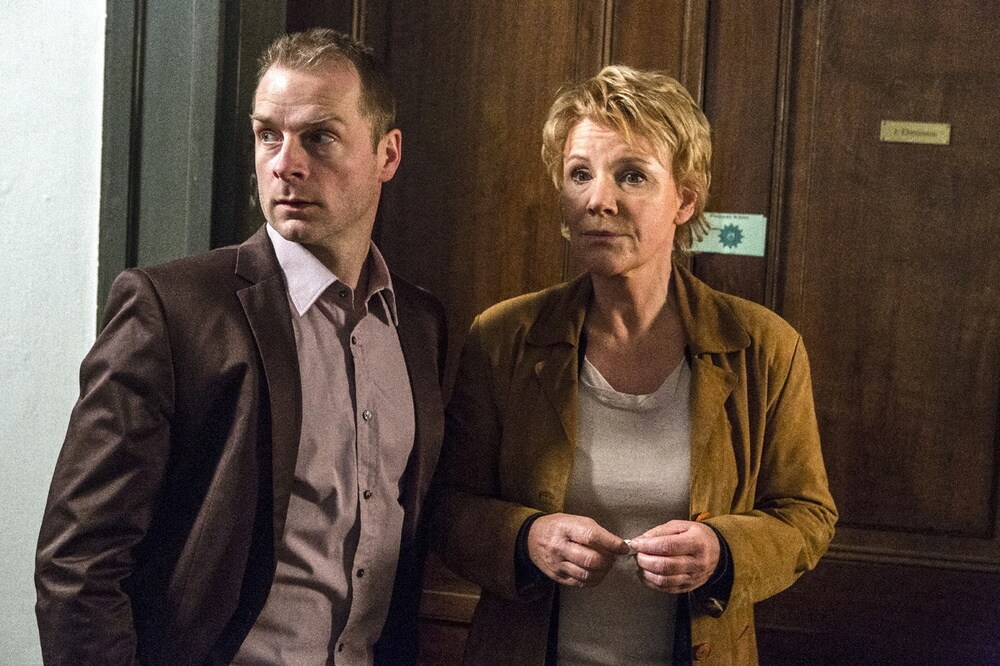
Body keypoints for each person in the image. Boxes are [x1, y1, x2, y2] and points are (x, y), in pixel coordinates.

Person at [35, 28, 446, 666]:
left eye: (320, 137)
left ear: (387, 154)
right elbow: (77, 564)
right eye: (268, 135)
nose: (285, 163)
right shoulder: (171, 310)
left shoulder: (417, 324)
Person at [431, 65, 837, 665]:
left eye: (632, 175)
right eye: (579, 174)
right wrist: (525, 539)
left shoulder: (764, 347)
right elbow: (447, 505)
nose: (599, 199)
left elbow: (806, 515)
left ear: (685, 199)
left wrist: (724, 550)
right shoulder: (503, 338)